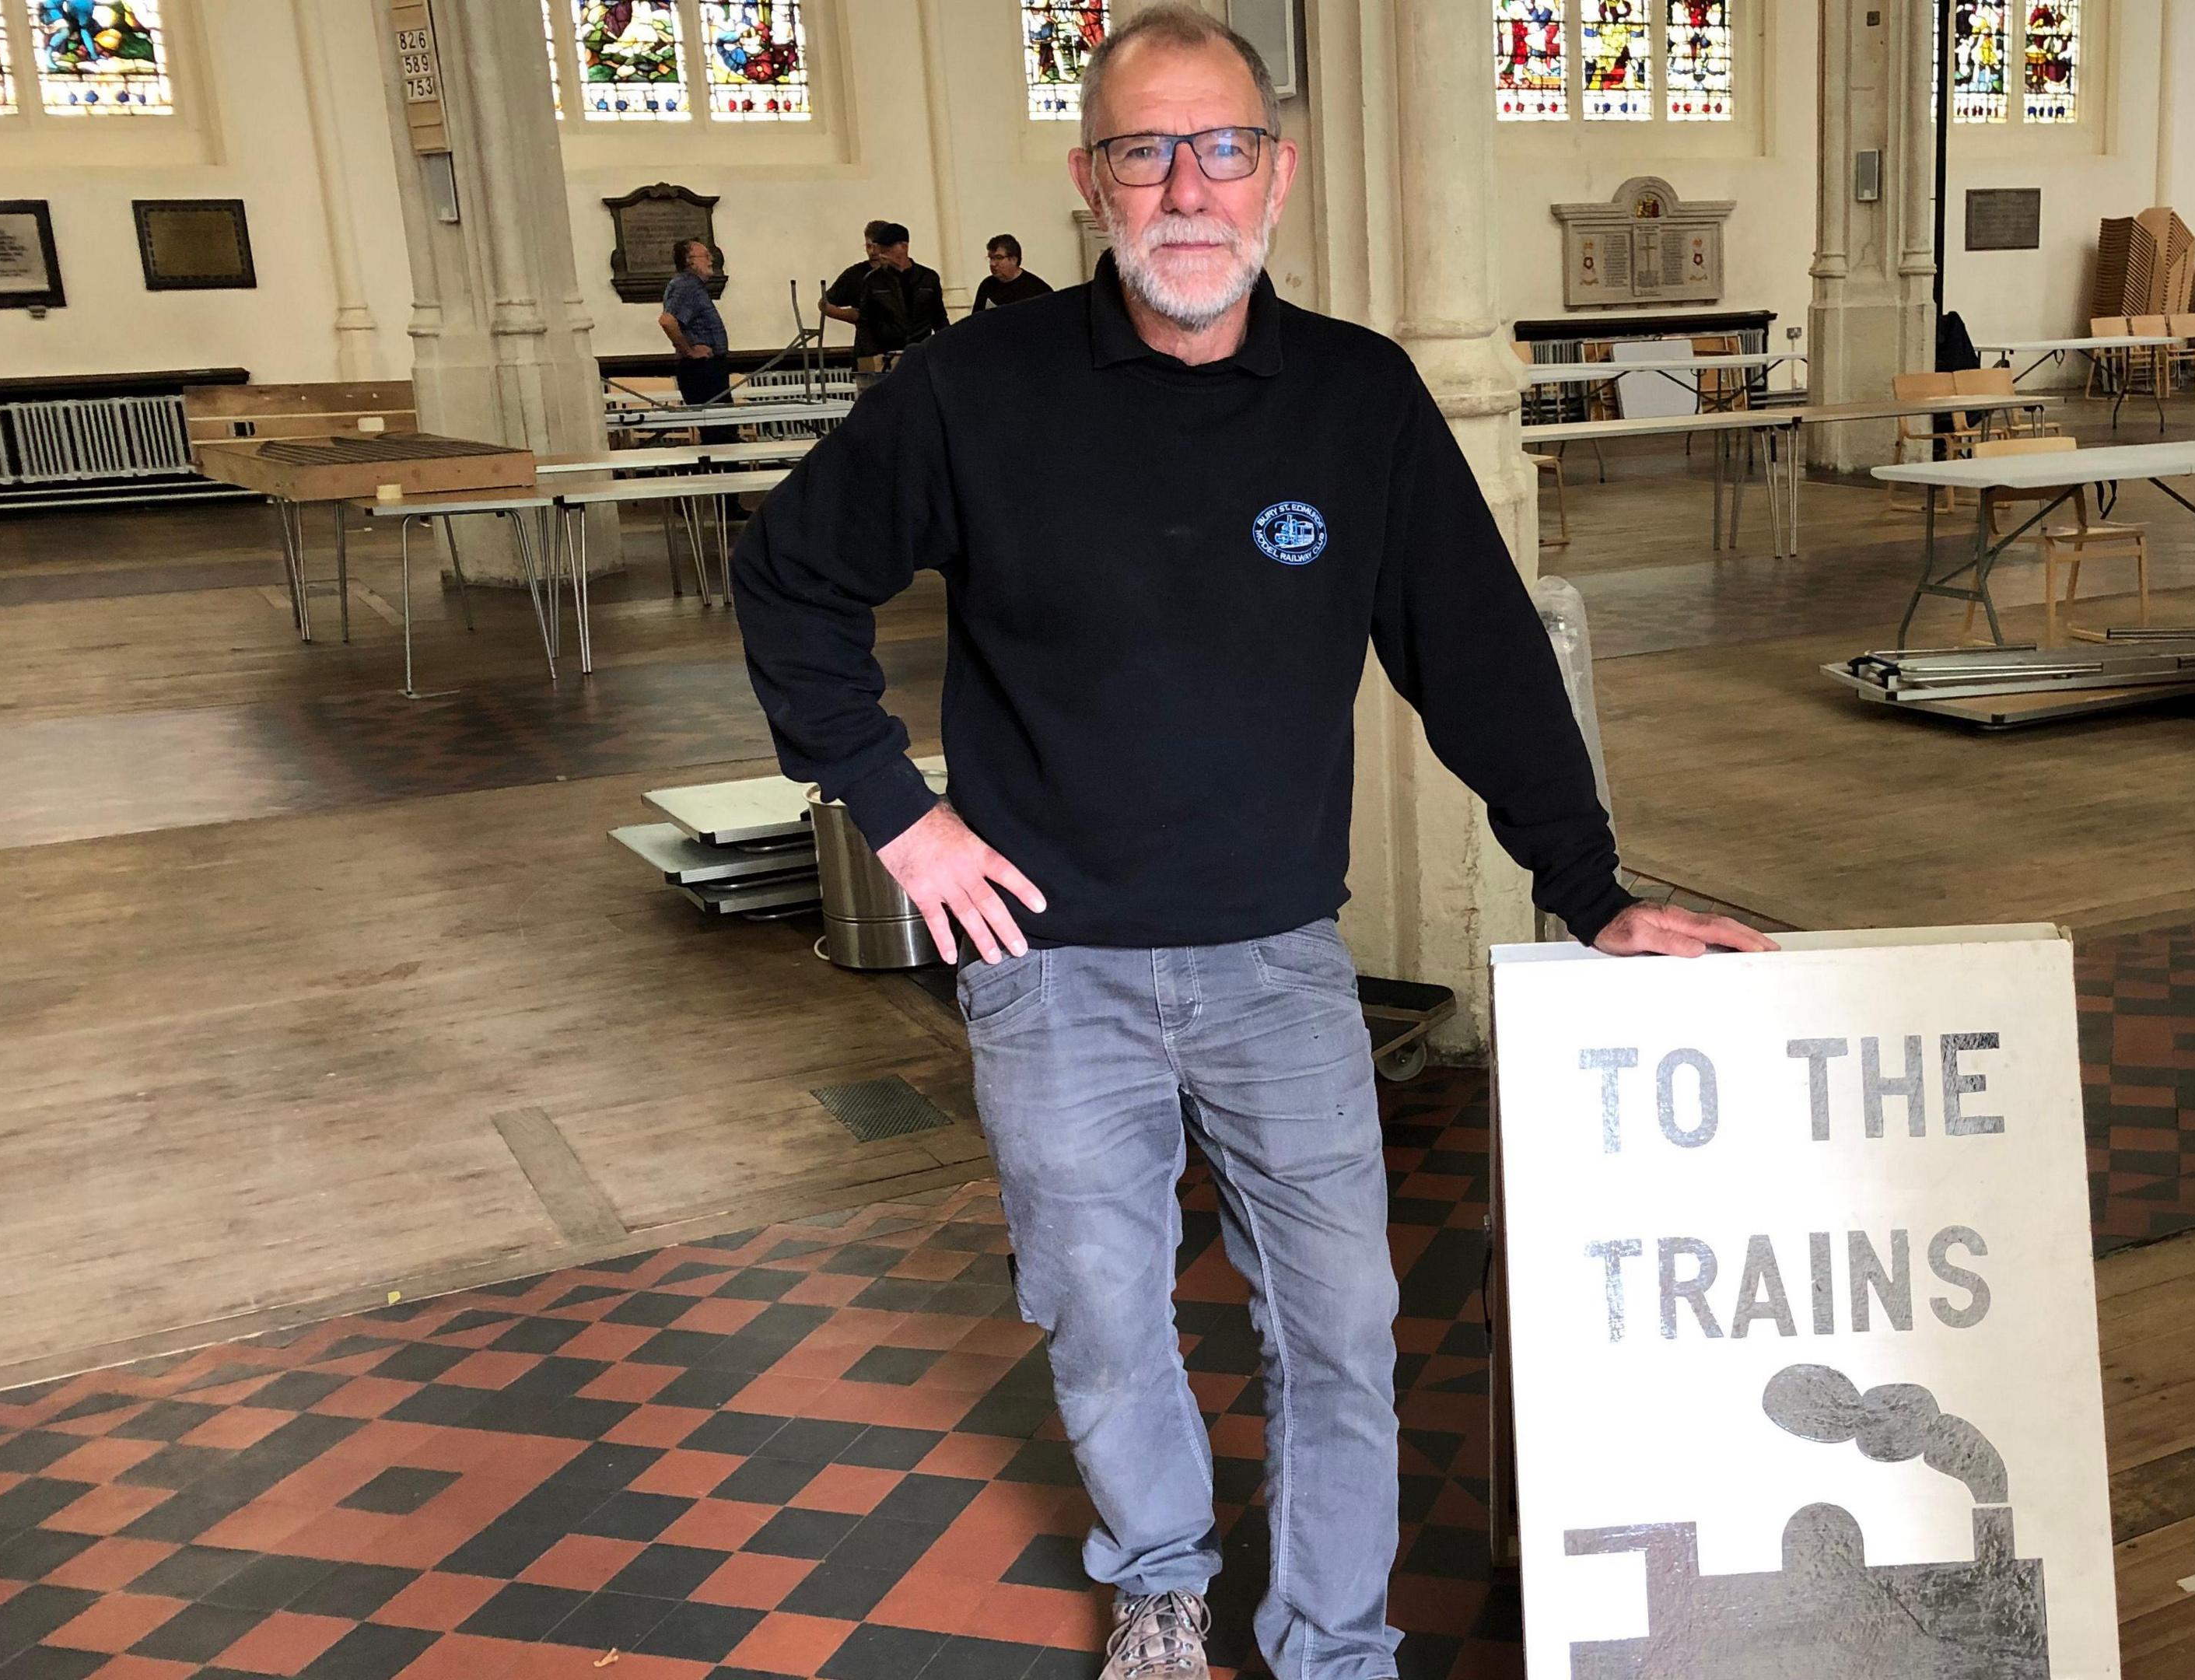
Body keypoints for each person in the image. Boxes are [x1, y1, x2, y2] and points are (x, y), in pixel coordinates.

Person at [728, 9, 1769, 1678]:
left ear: (1275, 174)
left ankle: (1333, 1641)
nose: (1187, 188)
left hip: (1280, 964)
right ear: (1092, 182)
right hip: (1046, 967)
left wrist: (1595, 893)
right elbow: (790, 577)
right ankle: (1158, 1582)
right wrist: (899, 818)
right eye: (1147, 151)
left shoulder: (1357, 400)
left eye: (1223, 148)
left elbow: (1481, 656)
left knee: (1343, 1326)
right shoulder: (975, 392)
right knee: (1101, 1311)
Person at [821, 219, 949, 380]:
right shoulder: (870, 279)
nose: (878, 253)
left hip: (919, 356)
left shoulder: (928, 278)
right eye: (873, 247)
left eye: (885, 248)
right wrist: (875, 358)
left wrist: (946, 348)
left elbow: (939, 318)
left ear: (904, 247)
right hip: (883, 360)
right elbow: (864, 324)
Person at [656, 238, 736, 443]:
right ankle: (726, 475)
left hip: (708, 369)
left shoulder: (690, 285)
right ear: (690, 261)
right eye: (705, 255)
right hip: (702, 370)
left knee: (722, 430)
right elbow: (667, 321)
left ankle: (725, 473)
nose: (711, 259)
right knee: (721, 433)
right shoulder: (687, 285)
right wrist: (690, 350)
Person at [975, 232, 1054, 308]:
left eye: (998, 258)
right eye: (991, 258)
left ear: (1014, 260)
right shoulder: (987, 286)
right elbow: (976, 319)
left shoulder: (1038, 289)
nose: (993, 264)